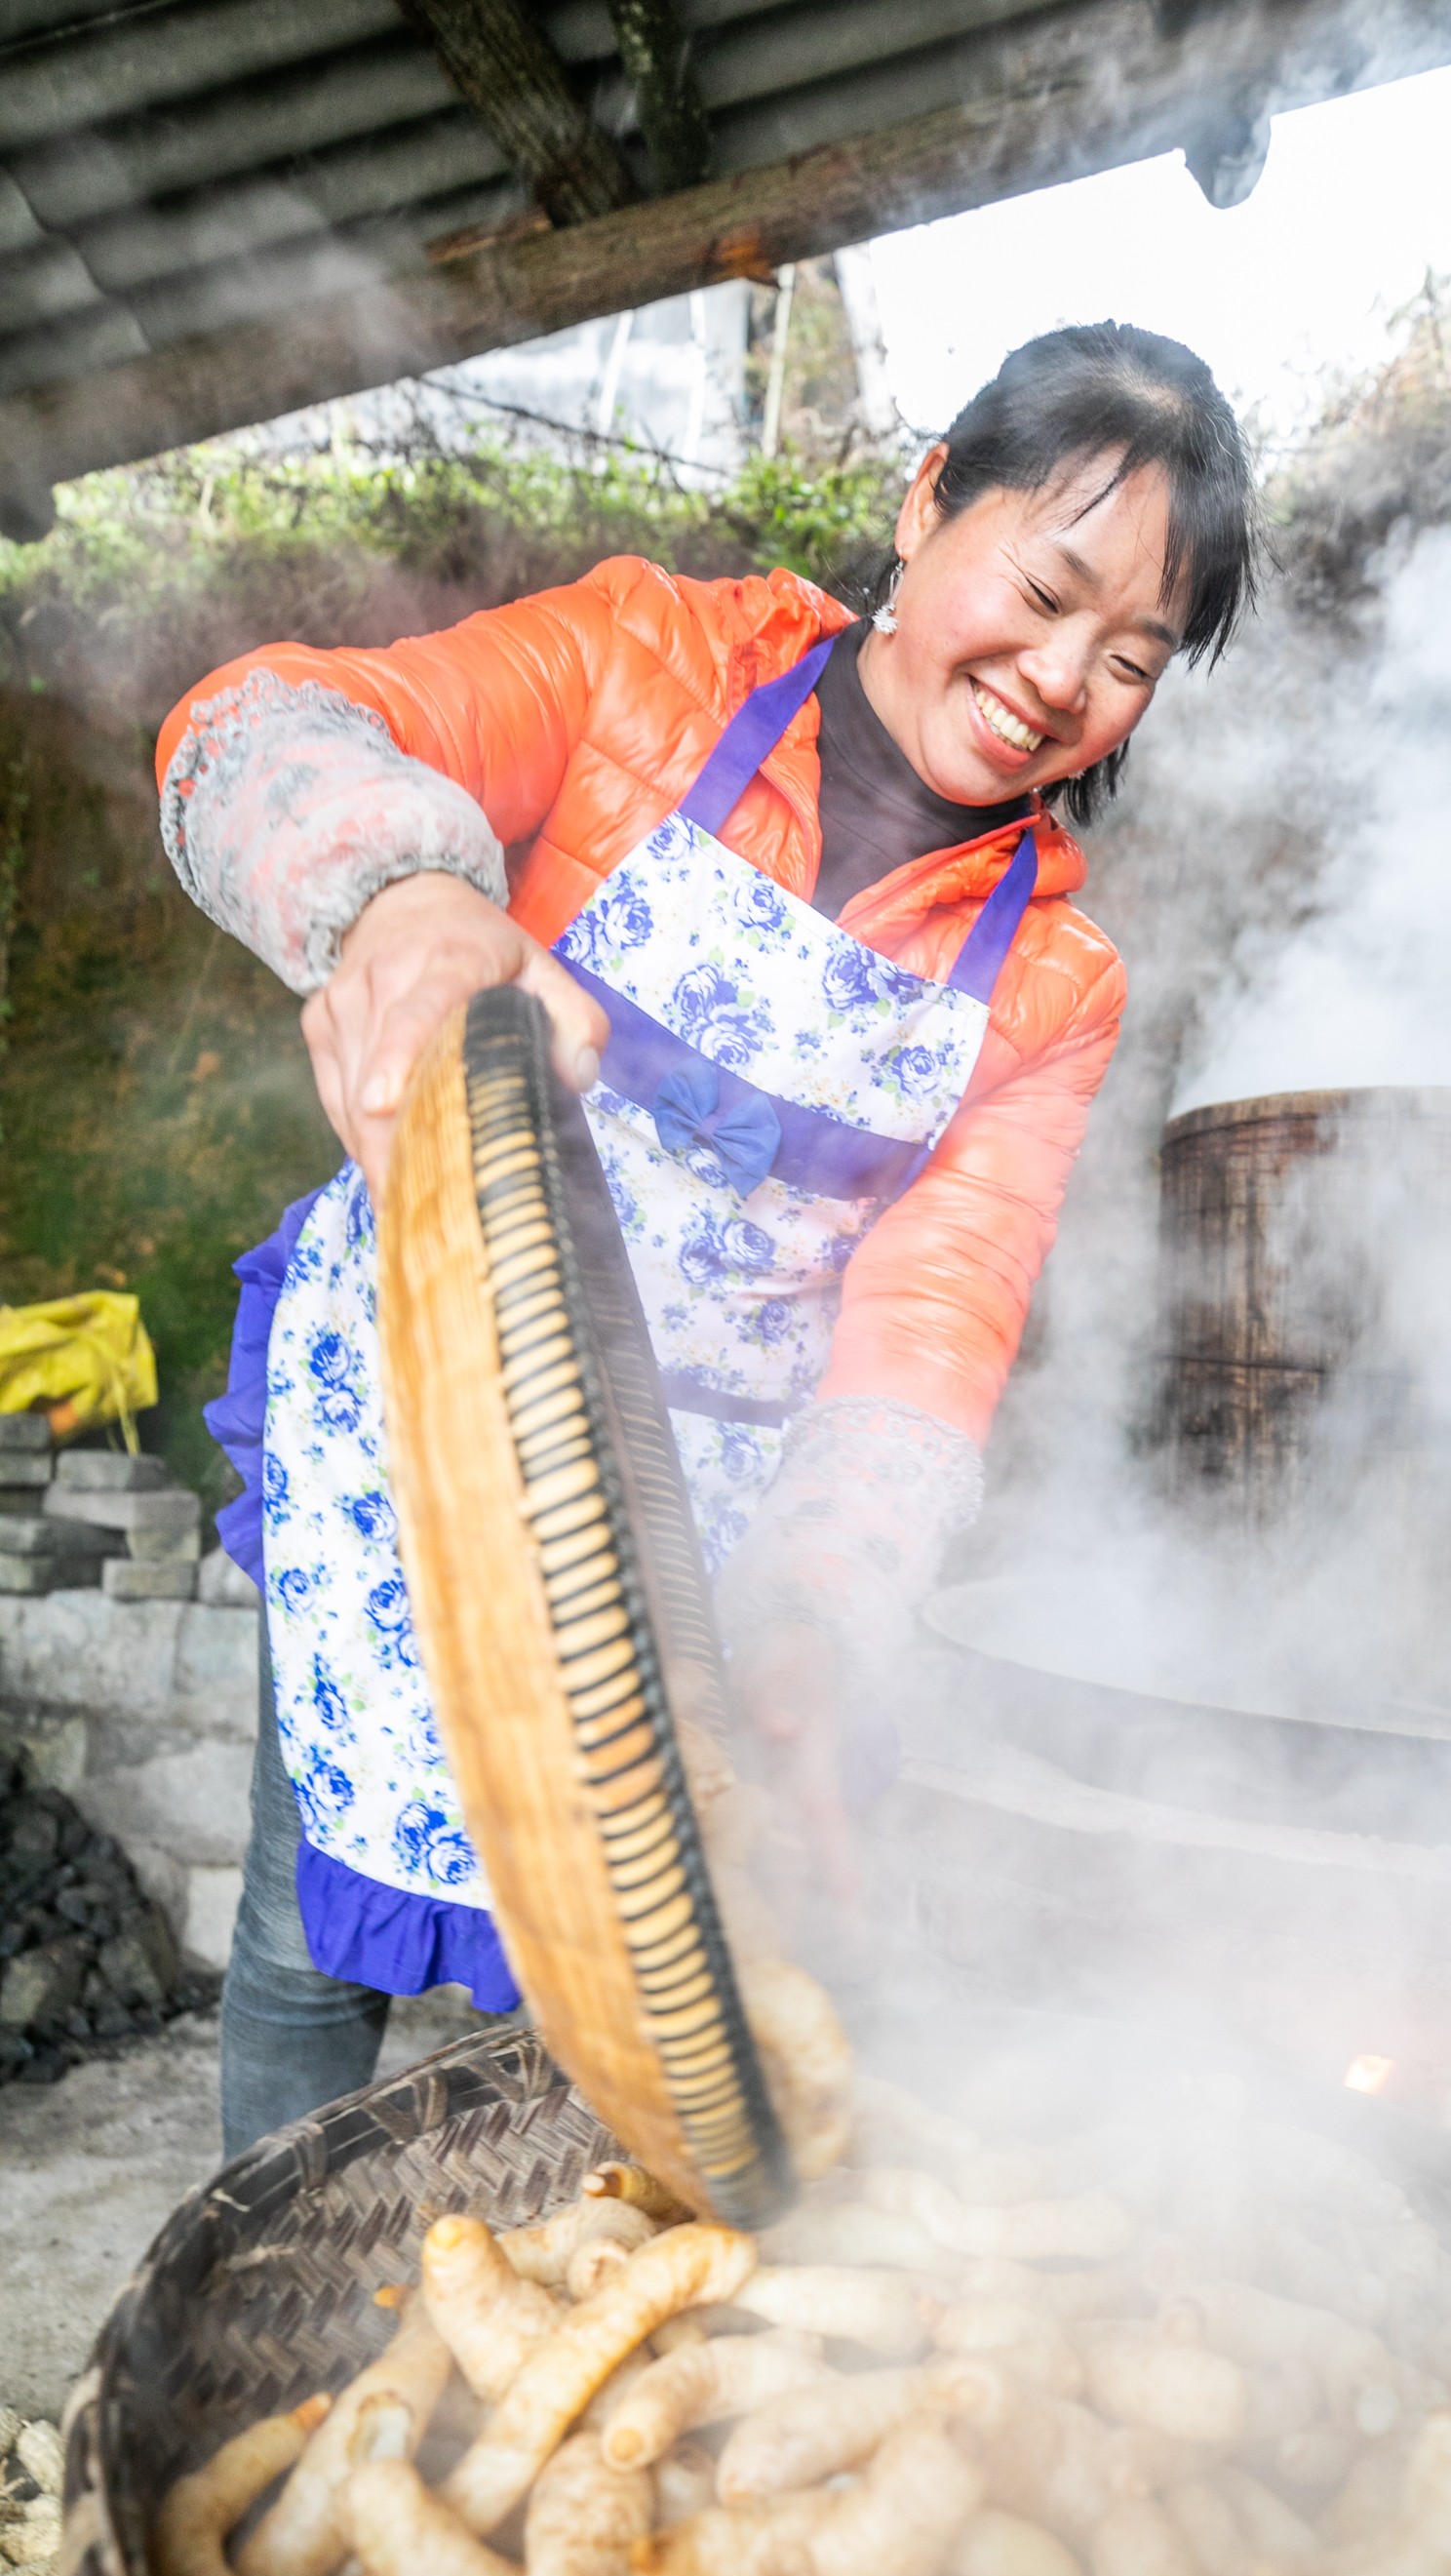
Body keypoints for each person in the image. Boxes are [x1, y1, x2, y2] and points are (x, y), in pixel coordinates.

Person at [157, 320, 1258, 2156]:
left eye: (1130, 658)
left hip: (705, 1540)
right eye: (1049, 588)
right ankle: (280, 2299)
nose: (1062, 678)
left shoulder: (1054, 981)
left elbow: (930, 1334)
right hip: (423, 1437)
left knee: (668, 1998)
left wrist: (825, 1609)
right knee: (305, 1932)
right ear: (926, 507)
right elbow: (249, 729)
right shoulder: (644, 662)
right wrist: (409, 898)